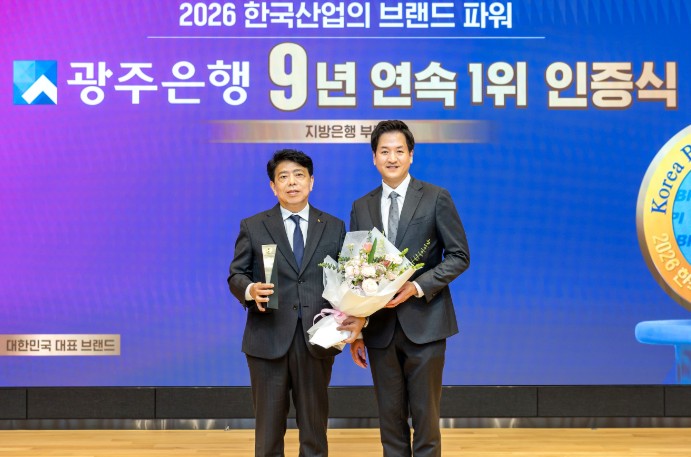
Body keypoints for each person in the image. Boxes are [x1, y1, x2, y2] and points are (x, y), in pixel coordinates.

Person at [228, 149, 365, 457]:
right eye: (284, 177)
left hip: (317, 339)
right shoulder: (253, 226)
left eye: (299, 175)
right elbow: (236, 274)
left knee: (314, 429)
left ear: (311, 182)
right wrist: (250, 289)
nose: (292, 182)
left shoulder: (333, 226)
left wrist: (358, 326)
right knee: (268, 431)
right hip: (267, 338)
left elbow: (348, 279)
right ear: (273, 186)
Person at [349, 121, 470, 457]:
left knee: (426, 418)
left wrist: (416, 286)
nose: (392, 158)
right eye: (384, 151)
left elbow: (459, 256)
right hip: (379, 329)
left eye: (399, 151)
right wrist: (357, 329)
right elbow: (355, 269)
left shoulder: (435, 197)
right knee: (390, 421)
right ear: (374, 157)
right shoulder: (361, 206)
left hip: (426, 323)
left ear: (411, 155)